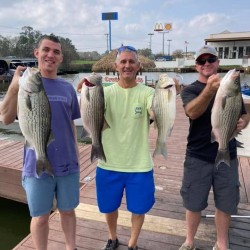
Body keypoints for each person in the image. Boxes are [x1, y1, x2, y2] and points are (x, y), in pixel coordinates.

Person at [0, 35, 80, 250]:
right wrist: (14, 87)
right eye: (46, 49)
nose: (50, 55)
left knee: (68, 211)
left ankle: (70, 248)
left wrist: (76, 153)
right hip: (35, 164)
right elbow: (6, 119)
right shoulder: (24, 86)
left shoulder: (68, 89)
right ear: (37, 53)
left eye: (56, 51)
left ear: (61, 57)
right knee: (40, 217)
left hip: (68, 164)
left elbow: (71, 123)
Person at [179, 45, 250, 250]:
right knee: (193, 203)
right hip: (198, 156)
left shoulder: (231, 88)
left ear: (218, 63)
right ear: (196, 66)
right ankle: (189, 241)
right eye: (202, 61)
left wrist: (244, 120)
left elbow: (245, 111)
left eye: (211, 59)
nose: (207, 64)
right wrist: (210, 90)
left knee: (226, 204)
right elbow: (192, 112)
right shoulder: (191, 90)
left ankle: (221, 244)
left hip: (228, 152)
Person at [94, 45, 155, 250]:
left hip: (139, 165)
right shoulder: (104, 93)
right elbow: (89, 112)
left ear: (138, 66)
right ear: (116, 66)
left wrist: (169, 95)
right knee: (109, 207)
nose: (127, 65)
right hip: (108, 162)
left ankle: (132, 243)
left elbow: (155, 113)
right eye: (123, 62)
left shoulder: (148, 92)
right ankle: (112, 237)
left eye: (131, 62)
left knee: (139, 209)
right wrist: (86, 92)